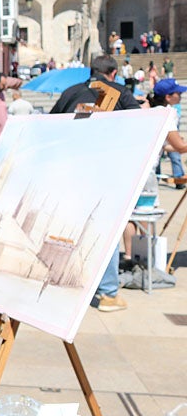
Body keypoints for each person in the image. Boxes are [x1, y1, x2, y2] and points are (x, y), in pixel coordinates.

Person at [50, 54, 142, 313]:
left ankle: (66, 282)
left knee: (70, 227)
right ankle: (108, 292)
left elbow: (51, 124)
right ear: (112, 73)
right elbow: (139, 125)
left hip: (69, 170)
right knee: (106, 230)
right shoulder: (120, 93)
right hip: (105, 172)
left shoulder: (70, 92)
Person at [149, 78, 187, 190]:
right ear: (168, 97)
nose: (180, 95)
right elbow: (181, 147)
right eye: (178, 93)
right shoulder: (166, 114)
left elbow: (164, 146)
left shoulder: (154, 111)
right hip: (148, 172)